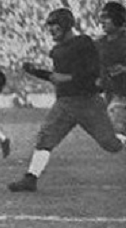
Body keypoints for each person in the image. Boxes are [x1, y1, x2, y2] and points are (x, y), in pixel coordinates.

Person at [8, 8, 126, 192]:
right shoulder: (57, 50)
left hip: (88, 101)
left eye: (55, 26)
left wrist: (67, 78)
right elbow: (57, 77)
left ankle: (122, 135)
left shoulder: (84, 43)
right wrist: (36, 71)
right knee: (44, 139)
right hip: (65, 102)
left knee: (111, 145)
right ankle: (31, 178)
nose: (51, 30)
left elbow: (89, 73)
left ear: (65, 25)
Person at [95, 1, 126, 141]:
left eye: (106, 17)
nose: (102, 21)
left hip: (122, 96)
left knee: (117, 128)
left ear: (118, 18)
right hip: (109, 95)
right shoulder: (99, 44)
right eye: (101, 17)